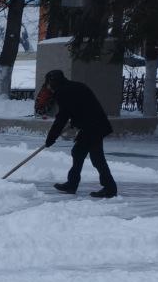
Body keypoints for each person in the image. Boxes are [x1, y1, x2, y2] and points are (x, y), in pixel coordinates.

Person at [43, 69, 118, 198]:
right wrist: (76, 120)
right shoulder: (75, 86)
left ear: (53, 81)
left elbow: (62, 118)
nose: (49, 86)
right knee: (78, 153)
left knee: (97, 158)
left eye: (49, 83)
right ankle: (72, 184)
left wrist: (51, 138)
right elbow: (81, 107)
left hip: (93, 127)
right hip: (93, 124)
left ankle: (110, 188)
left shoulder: (63, 92)